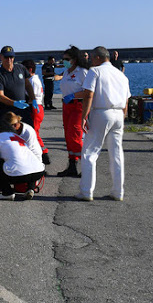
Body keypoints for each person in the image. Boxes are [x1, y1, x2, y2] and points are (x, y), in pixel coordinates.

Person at [76, 46, 131, 201]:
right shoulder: (121, 75)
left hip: (101, 112)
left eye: (93, 58)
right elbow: (126, 100)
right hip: (119, 113)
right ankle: (118, 191)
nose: (91, 60)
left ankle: (86, 191)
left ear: (98, 58)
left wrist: (84, 116)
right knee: (117, 154)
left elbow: (88, 95)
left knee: (89, 153)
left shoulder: (95, 71)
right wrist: (123, 117)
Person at [0, 120, 46, 201]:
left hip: (18, 176)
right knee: (28, 160)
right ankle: (30, 188)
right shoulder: (18, 137)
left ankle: (7, 192)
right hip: (38, 172)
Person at [55, 46, 91, 177]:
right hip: (67, 106)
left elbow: (89, 91)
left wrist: (74, 96)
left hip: (78, 106)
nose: (64, 61)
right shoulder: (66, 72)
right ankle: (72, 165)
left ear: (74, 60)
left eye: (67, 59)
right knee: (68, 137)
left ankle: (87, 166)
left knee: (75, 136)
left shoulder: (83, 72)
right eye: (63, 59)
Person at [0, 46, 37, 127]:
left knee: (28, 132)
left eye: (11, 57)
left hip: (23, 109)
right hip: (7, 112)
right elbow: (0, 96)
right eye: (6, 57)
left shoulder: (21, 68)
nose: (9, 59)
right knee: (9, 135)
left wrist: (33, 99)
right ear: (1, 57)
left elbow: (28, 85)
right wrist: (14, 103)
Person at [21, 59, 50, 165]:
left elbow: (31, 96)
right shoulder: (34, 79)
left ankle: (43, 152)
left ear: (29, 69)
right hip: (36, 106)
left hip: (35, 107)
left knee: (34, 133)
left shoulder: (32, 80)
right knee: (34, 132)